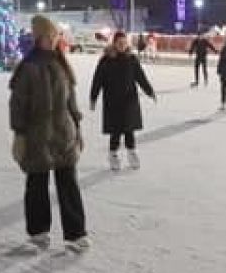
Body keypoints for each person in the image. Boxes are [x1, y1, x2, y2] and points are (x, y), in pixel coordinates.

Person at [9, 14, 88, 252]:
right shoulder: (28, 68)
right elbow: (18, 104)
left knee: (69, 184)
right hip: (37, 136)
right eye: (50, 35)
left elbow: (71, 101)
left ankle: (75, 234)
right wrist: (19, 134)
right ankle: (38, 233)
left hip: (63, 133)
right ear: (39, 38)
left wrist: (78, 128)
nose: (55, 39)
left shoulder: (61, 64)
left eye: (56, 35)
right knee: (36, 185)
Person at [89, 30, 156, 171]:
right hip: (113, 102)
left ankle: (132, 153)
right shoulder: (106, 60)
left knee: (129, 130)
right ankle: (113, 155)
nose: (122, 45)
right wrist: (93, 97)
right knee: (116, 131)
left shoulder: (131, 59)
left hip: (129, 101)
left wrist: (149, 91)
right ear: (114, 43)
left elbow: (140, 77)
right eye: (120, 43)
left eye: (125, 43)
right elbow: (97, 80)